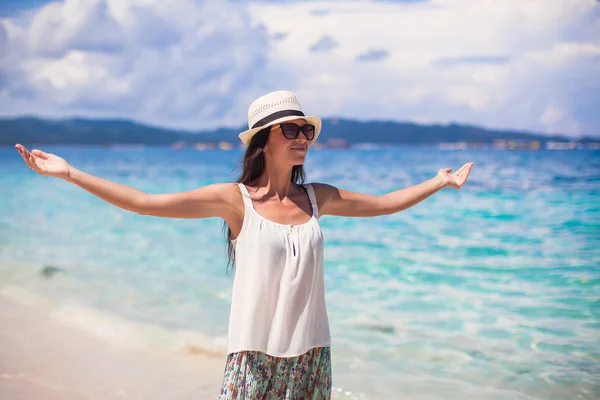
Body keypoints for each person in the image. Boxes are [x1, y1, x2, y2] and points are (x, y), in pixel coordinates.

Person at [14, 90, 473, 399]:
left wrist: (436, 182)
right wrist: (70, 173)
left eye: (306, 130)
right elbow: (145, 202)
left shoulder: (318, 197)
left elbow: (385, 205)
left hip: (313, 357)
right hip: (252, 360)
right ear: (264, 140)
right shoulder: (235, 201)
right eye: (291, 130)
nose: (302, 139)